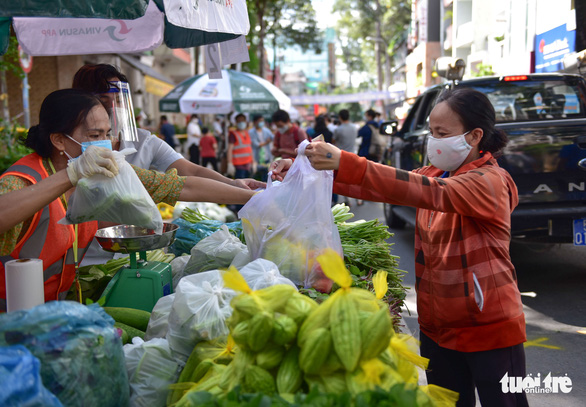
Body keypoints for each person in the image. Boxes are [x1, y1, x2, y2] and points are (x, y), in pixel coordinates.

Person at [271, 88, 528, 407]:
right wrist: (305, 171)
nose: (433, 140)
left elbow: (433, 193)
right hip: (438, 328)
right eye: (432, 132)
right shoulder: (435, 173)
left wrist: (346, 161)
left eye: (442, 133)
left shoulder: (489, 181)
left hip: (488, 328)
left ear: (475, 135)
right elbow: (390, 186)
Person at [0, 89, 255, 311]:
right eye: (93, 135)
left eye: (107, 133)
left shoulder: (100, 174)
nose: (105, 144)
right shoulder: (22, 180)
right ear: (58, 140)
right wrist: (71, 174)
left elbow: (180, 185)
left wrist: (251, 195)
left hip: (52, 310)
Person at [72, 64, 262, 191]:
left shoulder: (142, 141)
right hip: (83, 250)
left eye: (120, 100)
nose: (113, 107)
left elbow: (189, 174)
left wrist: (232, 183)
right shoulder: (70, 145)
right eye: (103, 99)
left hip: (135, 243)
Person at [227, 113, 254, 179]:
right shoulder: (233, 134)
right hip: (238, 165)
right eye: (239, 121)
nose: (241, 123)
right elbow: (229, 150)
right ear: (236, 122)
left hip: (248, 164)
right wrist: (229, 163)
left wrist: (253, 162)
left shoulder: (247, 133)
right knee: (241, 186)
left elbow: (249, 148)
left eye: (243, 121)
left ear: (245, 122)